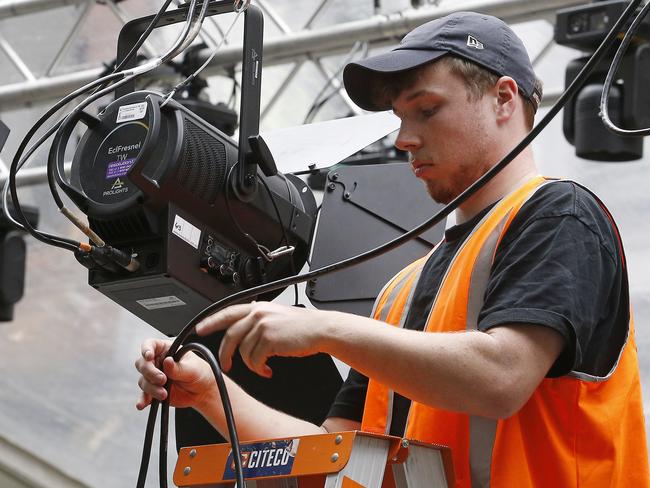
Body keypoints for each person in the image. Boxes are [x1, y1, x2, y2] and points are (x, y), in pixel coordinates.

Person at [135, 11, 649, 487]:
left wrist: (326, 329)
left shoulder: (560, 214)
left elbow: (502, 376)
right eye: (399, 118)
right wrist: (209, 395)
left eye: (427, 109)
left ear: (504, 99)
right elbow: (332, 459)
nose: (404, 138)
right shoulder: (400, 293)